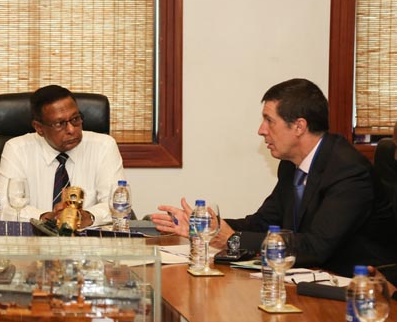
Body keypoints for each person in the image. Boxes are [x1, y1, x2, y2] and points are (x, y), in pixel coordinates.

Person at [152, 78, 397, 277]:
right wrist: (206, 227)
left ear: (299, 126)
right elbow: (262, 223)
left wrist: (232, 239)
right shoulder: (291, 166)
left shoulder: (348, 171)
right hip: (311, 280)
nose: (261, 130)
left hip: (360, 291)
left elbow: (316, 247)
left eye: (269, 120)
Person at [0, 85, 124, 228]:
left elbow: (117, 204)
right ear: (39, 128)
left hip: (90, 244)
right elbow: (3, 206)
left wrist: (88, 216)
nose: (71, 129)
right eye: (59, 124)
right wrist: (46, 217)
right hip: (33, 243)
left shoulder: (104, 146)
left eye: (75, 119)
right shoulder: (17, 149)